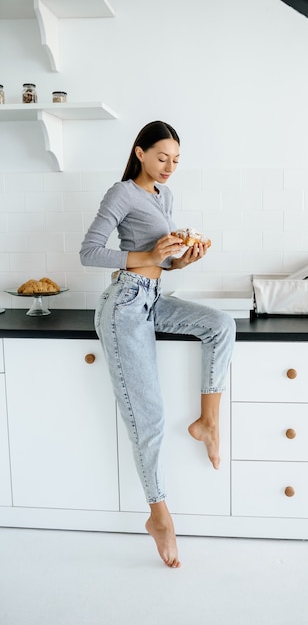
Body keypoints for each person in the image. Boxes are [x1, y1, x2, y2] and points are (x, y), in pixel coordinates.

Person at [80, 121, 236, 568]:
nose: (169, 167)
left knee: (221, 325)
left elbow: (162, 263)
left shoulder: (164, 197)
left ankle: (208, 422)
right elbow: (89, 252)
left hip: (153, 298)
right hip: (124, 305)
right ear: (141, 153)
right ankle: (159, 516)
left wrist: (183, 258)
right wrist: (151, 257)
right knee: (149, 418)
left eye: (176, 160)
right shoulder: (121, 192)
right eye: (162, 157)